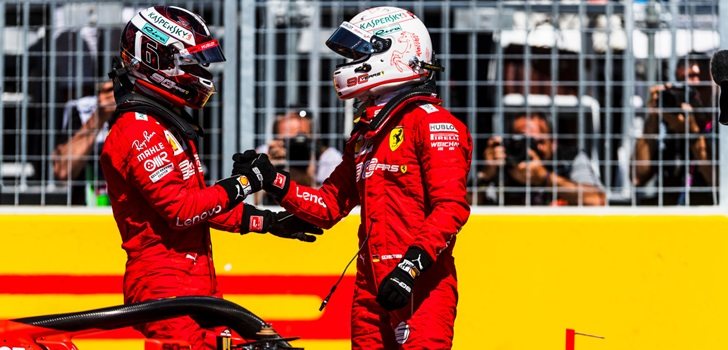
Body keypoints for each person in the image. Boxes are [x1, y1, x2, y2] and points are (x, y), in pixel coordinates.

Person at [236, 7, 471, 348]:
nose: (348, 64)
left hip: (421, 285)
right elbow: (329, 206)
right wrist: (272, 180)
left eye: (359, 53)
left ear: (394, 52)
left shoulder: (433, 123)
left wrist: (410, 267)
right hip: (370, 286)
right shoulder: (365, 135)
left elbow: (451, 208)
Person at [99, 6, 322, 349]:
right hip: (166, 287)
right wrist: (246, 183)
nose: (201, 72)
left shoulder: (165, 126)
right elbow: (182, 210)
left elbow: (202, 204)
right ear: (156, 60)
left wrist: (267, 222)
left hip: (194, 280)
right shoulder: (136, 131)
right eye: (191, 63)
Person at [633, 58, 716, 205]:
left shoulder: (720, 126)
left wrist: (692, 133)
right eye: (684, 86)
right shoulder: (672, 122)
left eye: (699, 87)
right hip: (671, 211)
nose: (693, 94)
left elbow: (719, 183)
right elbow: (637, 177)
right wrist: (653, 116)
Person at [479, 113, 606, 206]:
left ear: (553, 142)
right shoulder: (504, 161)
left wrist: (545, 178)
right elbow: (465, 208)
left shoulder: (569, 158)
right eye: (523, 141)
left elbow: (598, 200)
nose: (530, 149)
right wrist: (485, 174)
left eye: (537, 142)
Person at [255, 108, 342, 204]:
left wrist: (305, 173)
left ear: (314, 137)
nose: (294, 146)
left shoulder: (329, 157)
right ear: (275, 138)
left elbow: (328, 203)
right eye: (286, 141)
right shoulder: (266, 152)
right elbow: (254, 203)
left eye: (300, 140)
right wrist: (266, 169)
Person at [52, 80, 116, 205]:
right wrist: (99, 116)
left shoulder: (144, 107)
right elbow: (62, 171)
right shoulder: (82, 108)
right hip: (88, 211)